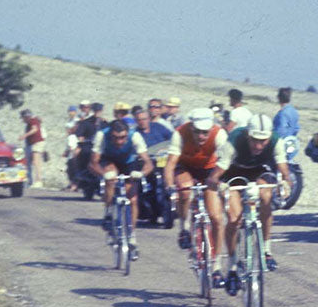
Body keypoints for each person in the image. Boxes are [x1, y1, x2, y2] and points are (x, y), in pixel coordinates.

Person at [165, 107, 232, 284]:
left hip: (209, 171)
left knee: (217, 218)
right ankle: (185, 226)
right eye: (197, 132)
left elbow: (227, 161)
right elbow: (170, 164)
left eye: (205, 132)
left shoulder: (219, 134)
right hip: (185, 168)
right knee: (185, 190)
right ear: (191, 127)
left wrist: (221, 181)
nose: (201, 136)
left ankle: (216, 265)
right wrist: (169, 186)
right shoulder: (180, 133)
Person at [221, 113, 291, 283]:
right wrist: (219, 185)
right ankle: (232, 264)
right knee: (233, 219)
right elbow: (220, 168)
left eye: (263, 141)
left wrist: (286, 183)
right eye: (254, 140)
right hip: (233, 172)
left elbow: (283, 169)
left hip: (260, 171)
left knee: (266, 195)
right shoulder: (235, 138)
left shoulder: (276, 141)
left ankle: (266, 251)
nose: (259, 146)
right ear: (247, 135)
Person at [90, 116, 153, 258]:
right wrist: (103, 175)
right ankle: (108, 212)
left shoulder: (135, 136)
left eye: (123, 138)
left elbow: (148, 162)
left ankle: (132, 237)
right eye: (115, 138)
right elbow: (93, 162)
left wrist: (141, 173)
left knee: (134, 199)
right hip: (109, 160)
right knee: (111, 176)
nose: (119, 142)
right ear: (110, 133)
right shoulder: (102, 135)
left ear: (127, 133)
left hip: (128, 162)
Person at [21, 108, 45, 187]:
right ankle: (29, 181)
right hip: (31, 144)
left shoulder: (32, 120)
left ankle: (38, 181)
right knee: (28, 162)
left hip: (36, 143)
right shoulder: (30, 122)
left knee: (36, 161)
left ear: (26, 117)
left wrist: (25, 135)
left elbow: (34, 130)